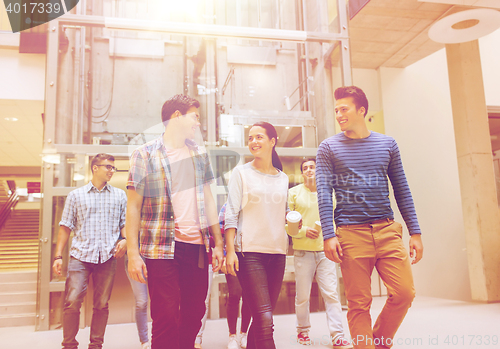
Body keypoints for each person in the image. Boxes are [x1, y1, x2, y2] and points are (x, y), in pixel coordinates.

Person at [316, 86, 424, 349]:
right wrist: (329, 235)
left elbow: (401, 188)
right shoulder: (328, 148)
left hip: (387, 230)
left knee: (404, 293)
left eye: (344, 109)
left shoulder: (387, 144)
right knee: (359, 303)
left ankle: (377, 343)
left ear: (361, 110)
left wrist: (415, 232)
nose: (339, 115)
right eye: (337, 110)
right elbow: (323, 192)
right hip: (350, 234)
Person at [126, 94, 224, 349]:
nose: (198, 124)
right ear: (177, 116)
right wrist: (133, 254)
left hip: (197, 248)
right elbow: (133, 206)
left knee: (193, 315)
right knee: (166, 316)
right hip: (160, 248)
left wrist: (219, 244)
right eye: (195, 117)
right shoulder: (144, 154)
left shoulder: (199, 154)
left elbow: (209, 200)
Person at [52, 153, 127, 349]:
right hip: (81, 257)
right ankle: (69, 345)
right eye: (108, 167)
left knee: (102, 304)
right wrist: (58, 255)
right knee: (72, 301)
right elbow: (65, 227)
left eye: (113, 167)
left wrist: (125, 239)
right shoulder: (76, 195)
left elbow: (124, 224)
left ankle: (96, 345)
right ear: (95, 168)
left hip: (107, 257)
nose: (111, 170)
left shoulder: (120, 195)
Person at [225, 121, 289, 349]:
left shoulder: (283, 178)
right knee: (264, 318)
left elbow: (281, 214)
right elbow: (231, 214)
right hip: (249, 253)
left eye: (259, 137)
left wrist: (294, 223)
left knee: (264, 317)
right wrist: (230, 251)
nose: (253, 142)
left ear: (273, 141)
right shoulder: (240, 173)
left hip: (277, 252)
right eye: (250, 138)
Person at [287, 158, 352, 348]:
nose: (309, 170)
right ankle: (303, 331)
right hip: (302, 253)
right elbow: (287, 225)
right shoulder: (293, 193)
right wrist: (303, 230)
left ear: (319, 170)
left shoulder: (329, 192)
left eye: (312, 167)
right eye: (305, 168)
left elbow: (338, 217)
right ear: (301, 173)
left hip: (326, 252)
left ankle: (337, 335)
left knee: (331, 294)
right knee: (303, 296)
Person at [219, 203, 251, 349]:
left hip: (250, 255)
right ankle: (232, 336)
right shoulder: (227, 207)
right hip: (232, 255)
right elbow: (220, 233)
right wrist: (225, 256)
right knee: (235, 293)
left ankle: (244, 333)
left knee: (249, 295)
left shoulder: (252, 205)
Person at [124, 253, 150, 349]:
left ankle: (163, 337)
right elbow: (123, 237)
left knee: (162, 299)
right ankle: (144, 341)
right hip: (136, 255)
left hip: (156, 254)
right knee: (141, 301)